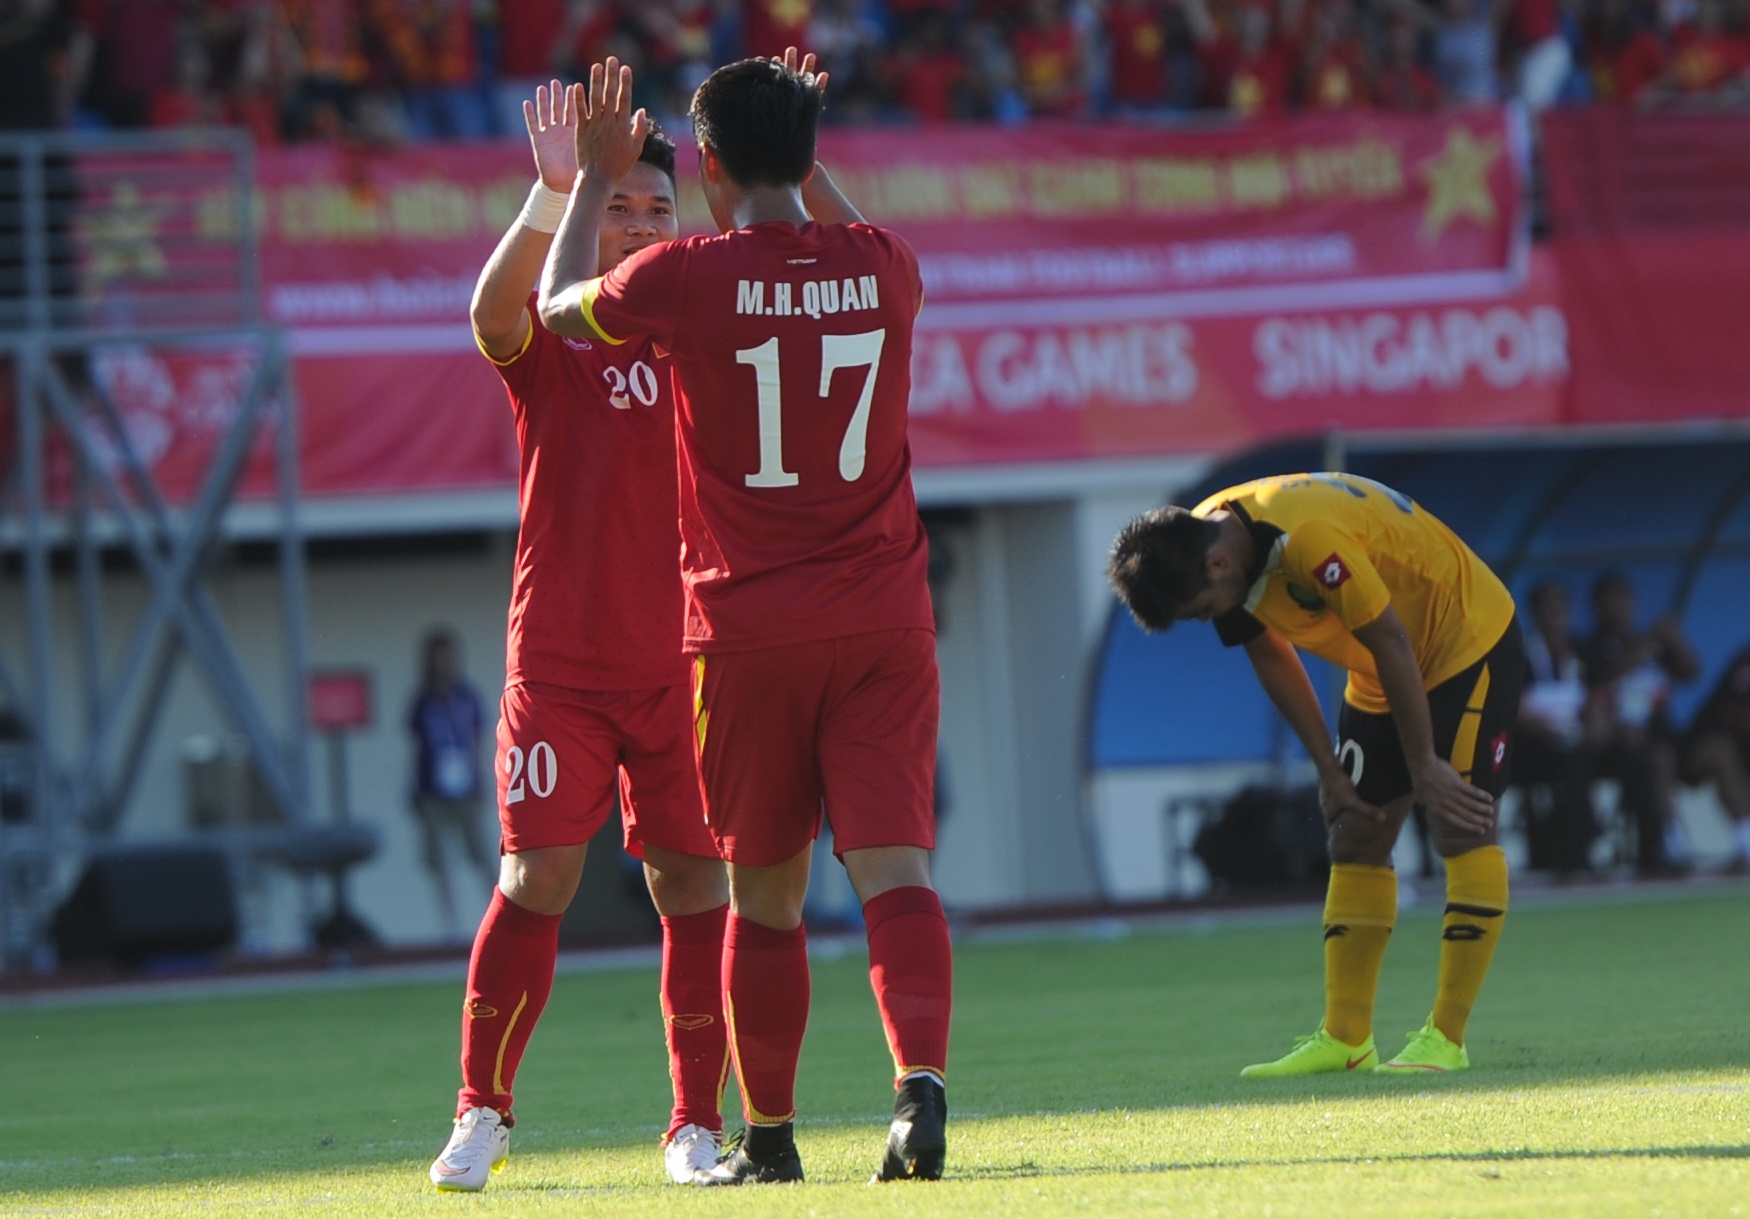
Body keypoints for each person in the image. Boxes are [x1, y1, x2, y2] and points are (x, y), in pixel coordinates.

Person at [539, 53, 952, 1184]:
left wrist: (593, 179)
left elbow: (555, 311)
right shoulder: (886, 265)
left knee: (765, 894)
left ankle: (769, 1139)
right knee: (897, 870)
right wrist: (802, 149)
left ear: (708, 167)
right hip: (883, 619)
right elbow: (842, 230)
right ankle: (919, 1085)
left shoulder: (684, 274)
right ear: (809, 156)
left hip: (746, 628)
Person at [427, 80, 732, 1192]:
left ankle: (695, 1127)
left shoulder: (704, 332)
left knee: (693, 886)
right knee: (538, 873)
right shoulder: (559, 338)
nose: (642, 226)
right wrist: (556, 189)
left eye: (659, 211)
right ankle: (482, 1111)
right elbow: (490, 318)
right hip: (560, 660)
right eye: (621, 208)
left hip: (687, 661)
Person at [1108, 473, 1522, 1076]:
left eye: (1202, 611)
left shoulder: (1305, 538)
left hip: (1465, 638)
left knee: (1460, 825)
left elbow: (1392, 639)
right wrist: (1329, 770)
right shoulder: (1211, 538)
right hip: (1384, 663)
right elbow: (1269, 652)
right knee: (1355, 831)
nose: (1207, 620)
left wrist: (1424, 765)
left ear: (1219, 565)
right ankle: (1346, 1039)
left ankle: (1447, 1038)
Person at [1580, 571, 1700, 876]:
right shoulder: (1591, 646)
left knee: (1683, 751)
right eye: (1610, 602)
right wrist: (1645, 643)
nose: (1618, 608)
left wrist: (1673, 638)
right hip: (1618, 742)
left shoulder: (1654, 642)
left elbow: (1690, 673)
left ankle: (1738, 841)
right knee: (1652, 757)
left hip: (1662, 732)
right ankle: (1666, 841)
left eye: (1623, 600)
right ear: (1597, 607)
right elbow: (1603, 678)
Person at [407, 627, 496, 941]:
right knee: (439, 860)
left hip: (467, 788)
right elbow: (415, 746)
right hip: (433, 789)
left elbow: (478, 740)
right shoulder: (423, 701)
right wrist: (414, 788)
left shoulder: (467, 696)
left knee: (482, 854)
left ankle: (497, 917)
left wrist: (484, 780)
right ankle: (451, 925)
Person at [1513, 582, 1602, 876]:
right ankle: (1573, 847)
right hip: (1533, 745)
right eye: (1546, 607)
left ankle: (1582, 843)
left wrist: (1591, 726)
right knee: (1568, 763)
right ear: (1534, 612)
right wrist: (1549, 731)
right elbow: (1515, 708)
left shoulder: (1583, 650)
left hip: (1578, 743)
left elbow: (1596, 698)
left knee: (1584, 760)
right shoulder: (1520, 652)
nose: (1553, 613)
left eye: (1559, 606)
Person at [1680, 645, 1750, 873]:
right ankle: (1747, 841)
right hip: (1715, 746)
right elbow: (1727, 716)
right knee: (1720, 751)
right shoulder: (1745, 663)